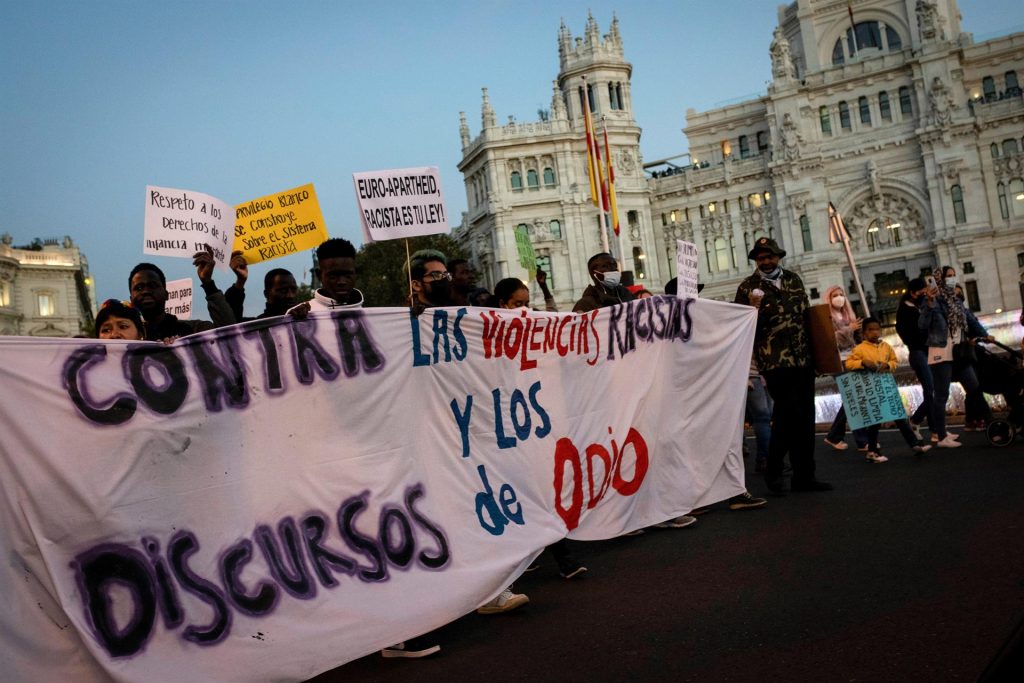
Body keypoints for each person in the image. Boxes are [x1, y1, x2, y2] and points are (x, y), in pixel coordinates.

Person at [735, 237, 832, 494]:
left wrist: (818, 355)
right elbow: (742, 328)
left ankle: (804, 476)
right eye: (761, 258)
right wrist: (752, 309)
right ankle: (774, 468)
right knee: (787, 414)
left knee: (805, 417)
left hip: (803, 359)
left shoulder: (793, 279)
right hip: (774, 361)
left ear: (778, 257)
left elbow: (807, 317)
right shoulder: (747, 288)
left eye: (770, 257)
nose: (766, 262)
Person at [919, 265, 994, 447]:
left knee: (974, 387)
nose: (952, 279)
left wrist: (985, 335)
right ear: (940, 279)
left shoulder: (956, 301)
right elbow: (922, 325)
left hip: (960, 351)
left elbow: (970, 320)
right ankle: (941, 436)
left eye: (953, 275)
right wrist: (930, 304)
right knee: (941, 394)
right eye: (948, 276)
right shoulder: (932, 300)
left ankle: (994, 426)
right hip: (941, 352)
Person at [844, 318, 933, 462]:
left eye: (877, 329)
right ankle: (872, 451)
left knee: (900, 418)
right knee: (875, 422)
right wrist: (862, 362)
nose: (874, 332)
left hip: (887, 389)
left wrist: (888, 365)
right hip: (871, 390)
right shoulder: (859, 349)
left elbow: (894, 361)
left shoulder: (886, 346)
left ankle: (915, 445)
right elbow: (848, 364)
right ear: (864, 333)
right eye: (870, 330)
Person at [128, 250, 235, 342]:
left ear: (166, 295)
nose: (146, 291)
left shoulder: (194, 330)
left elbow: (230, 334)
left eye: (152, 285)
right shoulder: (124, 339)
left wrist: (208, 283)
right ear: (131, 300)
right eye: (139, 288)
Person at [822, 286, 866, 451]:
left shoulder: (849, 314)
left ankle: (834, 436)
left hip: (853, 359)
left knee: (852, 398)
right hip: (838, 362)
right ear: (829, 298)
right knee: (853, 398)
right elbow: (830, 339)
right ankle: (862, 441)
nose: (839, 298)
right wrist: (850, 329)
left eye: (841, 294)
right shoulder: (827, 317)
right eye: (835, 295)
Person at [895, 278, 935, 440]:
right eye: (922, 292)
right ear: (912, 293)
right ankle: (919, 422)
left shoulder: (919, 306)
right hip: (918, 352)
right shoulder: (905, 310)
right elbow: (908, 333)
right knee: (931, 390)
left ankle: (934, 429)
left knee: (932, 391)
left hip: (927, 351)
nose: (924, 295)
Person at [954, 284, 994, 431]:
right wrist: (982, 336)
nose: (959, 297)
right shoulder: (953, 311)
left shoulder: (965, 311)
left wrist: (982, 337)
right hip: (961, 354)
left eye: (960, 293)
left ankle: (974, 420)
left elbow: (974, 325)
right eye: (956, 294)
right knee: (974, 388)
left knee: (973, 388)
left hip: (969, 353)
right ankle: (985, 421)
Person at [289, 238, 364, 315]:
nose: (341, 282)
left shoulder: (369, 312)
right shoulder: (299, 314)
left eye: (347, 275)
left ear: (356, 274)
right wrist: (294, 319)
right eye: (333, 276)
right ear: (319, 275)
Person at [224, 250, 299, 320]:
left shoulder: (303, 320)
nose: (290, 296)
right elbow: (231, 321)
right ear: (266, 294)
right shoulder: (256, 326)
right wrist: (240, 281)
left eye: (294, 289)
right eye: (283, 290)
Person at [408, 249, 453, 317]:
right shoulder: (406, 317)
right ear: (416, 285)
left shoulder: (459, 311)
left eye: (446, 274)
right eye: (436, 275)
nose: (444, 278)